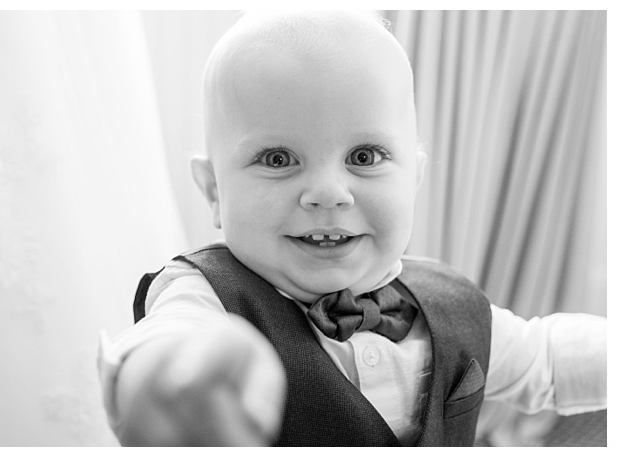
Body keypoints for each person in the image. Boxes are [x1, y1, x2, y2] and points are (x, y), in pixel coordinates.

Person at [97, 11, 606, 446]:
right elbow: (164, 340)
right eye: (278, 158)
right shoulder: (205, 296)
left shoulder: (454, 305)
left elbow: (548, 359)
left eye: (364, 156)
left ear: (415, 179)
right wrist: (170, 374)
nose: (328, 192)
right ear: (213, 190)